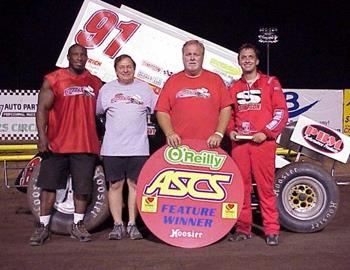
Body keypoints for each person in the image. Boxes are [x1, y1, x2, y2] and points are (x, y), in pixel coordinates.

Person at [29, 44, 103, 246]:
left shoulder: (95, 82)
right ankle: (43, 227)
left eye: (83, 55)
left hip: (85, 144)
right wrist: (42, 136)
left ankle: (77, 225)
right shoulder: (53, 79)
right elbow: (42, 109)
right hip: (57, 144)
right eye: (75, 55)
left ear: (87, 58)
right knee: (49, 185)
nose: (79, 58)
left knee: (82, 188)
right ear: (68, 57)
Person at [227, 43, 288, 246]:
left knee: (265, 188)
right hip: (241, 146)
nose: (247, 60)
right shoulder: (233, 87)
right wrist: (230, 131)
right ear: (239, 61)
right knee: (240, 188)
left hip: (263, 144)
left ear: (257, 60)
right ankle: (243, 228)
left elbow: (281, 112)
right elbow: (228, 115)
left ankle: (271, 229)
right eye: (243, 57)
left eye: (250, 57)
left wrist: (266, 133)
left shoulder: (271, 82)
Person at [96, 54, 157, 240]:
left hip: (138, 148)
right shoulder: (106, 90)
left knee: (135, 185)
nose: (125, 69)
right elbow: (98, 113)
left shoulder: (145, 90)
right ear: (115, 70)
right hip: (112, 148)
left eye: (129, 66)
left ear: (134, 69)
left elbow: (158, 111)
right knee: (115, 185)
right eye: (121, 67)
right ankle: (117, 225)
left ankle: (132, 224)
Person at [155, 40, 232, 148]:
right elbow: (162, 111)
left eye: (196, 54)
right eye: (188, 54)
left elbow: (226, 108)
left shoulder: (215, 80)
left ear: (202, 57)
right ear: (183, 57)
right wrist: (169, 133)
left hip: (210, 146)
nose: (192, 58)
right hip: (178, 146)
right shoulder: (172, 81)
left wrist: (218, 134)